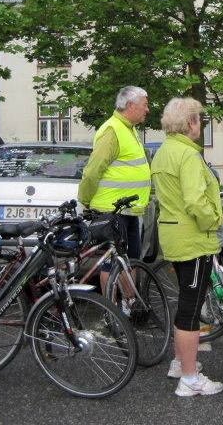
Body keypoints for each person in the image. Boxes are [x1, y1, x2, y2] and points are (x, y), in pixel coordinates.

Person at [151, 97, 223, 397]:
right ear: (190, 123)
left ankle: (179, 363)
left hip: (174, 234)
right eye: (199, 118)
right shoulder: (188, 155)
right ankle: (190, 379)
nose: (201, 123)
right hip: (193, 238)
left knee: (186, 303)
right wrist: (216, 219)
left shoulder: (164, 152)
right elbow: (194, 201)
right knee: (191, 308)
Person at [78, 86, 151, 295]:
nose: (147, 110)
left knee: (131, 260)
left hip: (128, 209)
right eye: (145, 105)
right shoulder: (112, 130)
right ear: (130, 105)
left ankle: (128, 305)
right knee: (112, 262)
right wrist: (85, 200)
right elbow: (93, 170)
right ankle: (111, 311)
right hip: (112, 210)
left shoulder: (128, 128)